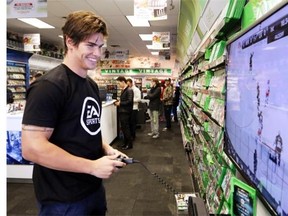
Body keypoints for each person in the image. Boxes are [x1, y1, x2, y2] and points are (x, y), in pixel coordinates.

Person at [21, 11, 128, 216]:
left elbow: (85, 132)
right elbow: (32, 148)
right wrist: (92, 167)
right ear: (70, 42)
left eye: (100, 46)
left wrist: (106, 148)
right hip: (62, 199)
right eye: (90, 45)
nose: (97, 53)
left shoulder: (91, 86)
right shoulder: (49, 86)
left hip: (92, 189)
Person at [114, 76, 134, 150]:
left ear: (123, 82)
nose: (119, 85)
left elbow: (129, 101)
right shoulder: (125, 90)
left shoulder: (129, 90)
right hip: (123, 111)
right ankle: (125, 143)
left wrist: (120, 103)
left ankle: (129, 144)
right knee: (124, 128)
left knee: (126, 128)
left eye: (119, 83)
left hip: (125, 112)